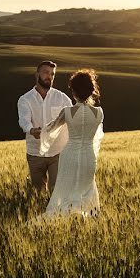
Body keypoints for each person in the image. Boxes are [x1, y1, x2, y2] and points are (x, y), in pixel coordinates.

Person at [42, 69, 104, 217]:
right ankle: (86, 218)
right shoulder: (99, 113)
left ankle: (66, 218)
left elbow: (50, 129)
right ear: (91, 91)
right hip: (89, 156)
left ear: (73, 91)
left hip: (69, 155)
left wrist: (39, 131)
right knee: (86, 188)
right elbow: (97, 137)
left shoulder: (68, 112)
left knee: (66, 189)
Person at [17, 61, 73, 192]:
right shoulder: (25, 99)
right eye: (46, 73)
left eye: (52, 74)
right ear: (37, 75)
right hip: (35, 152)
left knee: (56, 191)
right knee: (38, 192)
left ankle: (56, 213)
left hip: (57, 153)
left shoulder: (62, 98)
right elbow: (24, 120)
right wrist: (31, 130)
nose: (49, 76)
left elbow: (72, 120)